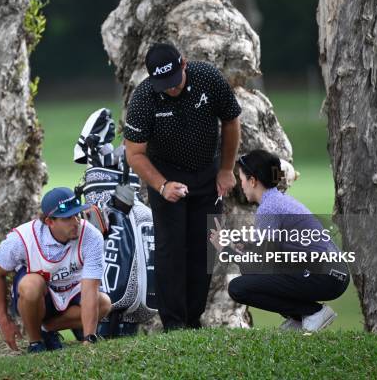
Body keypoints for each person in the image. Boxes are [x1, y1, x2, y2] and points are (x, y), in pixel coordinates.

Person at [124, 43, 241, 330]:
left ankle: (193, 319)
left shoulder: (208, 78)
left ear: (184, 64)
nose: (171, 89)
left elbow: (231, 119)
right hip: (165, 174)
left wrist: (226, 169)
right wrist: (162, 186)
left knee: (205, 247)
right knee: (170, 249)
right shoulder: (143, 98)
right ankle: (174, 323)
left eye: (175, 82)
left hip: (207, 171)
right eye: (164, 85)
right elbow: (134, 154)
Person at [211, 149, 350, 332]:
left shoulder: (269, 209)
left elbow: (258, 265)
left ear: (253, 181)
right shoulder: (277, 201)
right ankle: (299, 317)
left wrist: (226, 251)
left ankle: (312, 312)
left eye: (242, 179)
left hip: (326, 276)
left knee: (238, 287)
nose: (241, 184)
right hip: (333, 273)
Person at [0, 187, 112, 353]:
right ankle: (36, 342)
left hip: (71, 290)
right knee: (31, 285)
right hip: (40, 296)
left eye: (77, 215)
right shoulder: (21, 238)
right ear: (49, 222)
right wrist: (4, 321)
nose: (75, 222)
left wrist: (89, 338)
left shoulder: (92, 236)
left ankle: (47, 329)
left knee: (104, 303)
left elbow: (90, 289)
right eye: (67, 218)